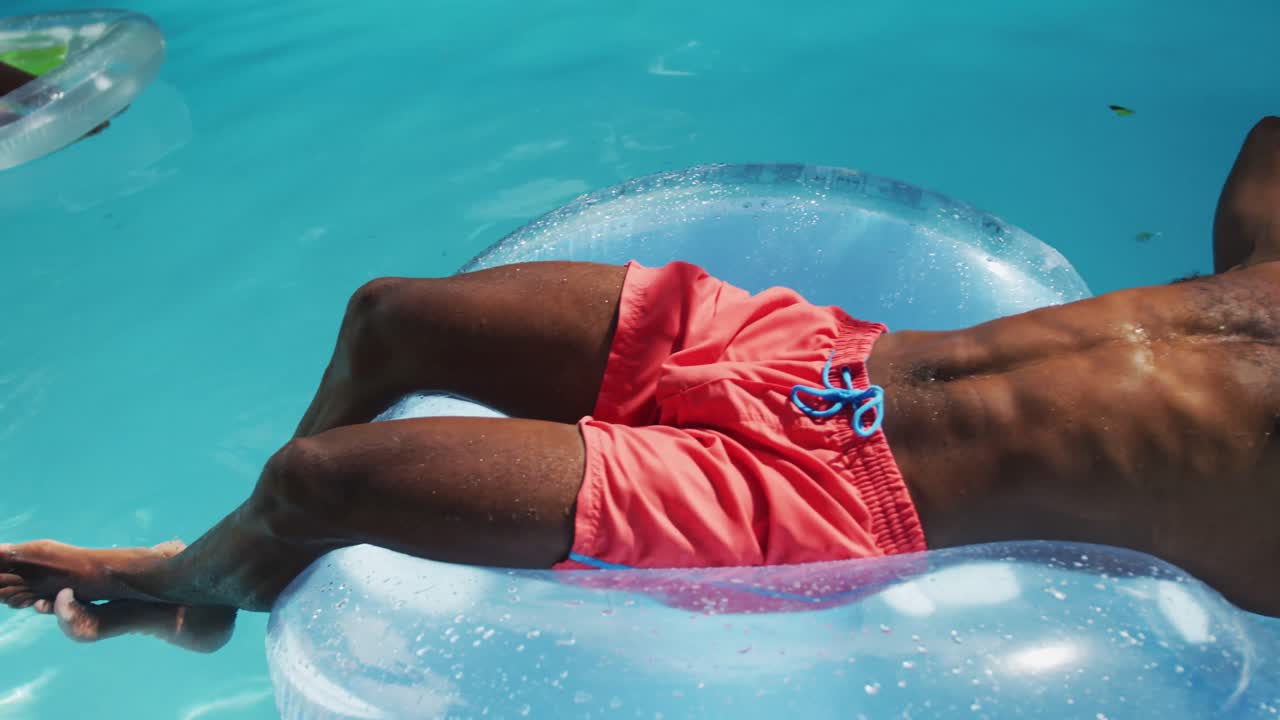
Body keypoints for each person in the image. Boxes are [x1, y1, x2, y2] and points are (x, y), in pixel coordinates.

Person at [3, 118, 1280, 654]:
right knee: (395, 317)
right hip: (824, 356)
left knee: (324, 480)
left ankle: (188, 594)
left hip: (837, 497)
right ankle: (245, 574)